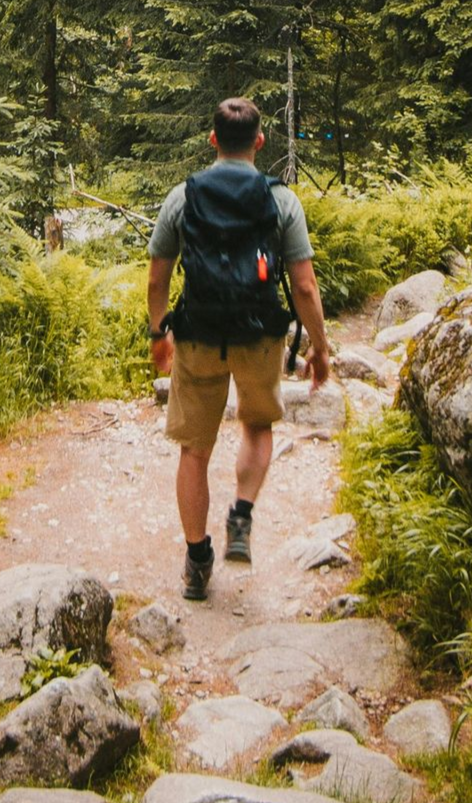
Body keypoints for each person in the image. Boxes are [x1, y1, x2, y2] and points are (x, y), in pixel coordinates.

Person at [147, 97, 330, 601]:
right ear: (259, 142)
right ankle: (242, 515)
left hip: (200, 334)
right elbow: (305, 287)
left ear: (212, 141)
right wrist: (320, 348)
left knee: (194, 450)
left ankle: (197, 559)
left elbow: (158, 276)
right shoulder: (281, 200)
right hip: (258, 335)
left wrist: (159, 333)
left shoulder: (182, 197)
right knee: (256, 424)